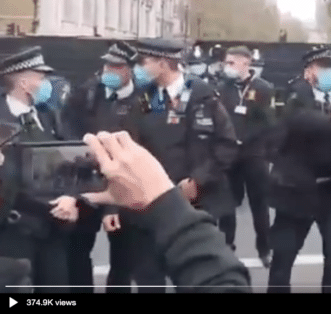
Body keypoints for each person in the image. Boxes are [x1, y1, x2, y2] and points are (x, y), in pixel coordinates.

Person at [76, 131, 251, 292]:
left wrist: (197, 181)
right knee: (136, 270)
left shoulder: (204, 103)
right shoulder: (143, 103)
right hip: (143, 202)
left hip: (179, 196)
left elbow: (224, 145)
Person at [129, 38, 240, 293]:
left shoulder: (202, 94)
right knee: (149, 275)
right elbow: (134, 143)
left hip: (197, 201)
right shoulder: (145, 99)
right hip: (154, 201)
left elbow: (226, 145)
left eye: (144, 62)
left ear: (162, 64)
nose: (140, 68)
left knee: (193, 274)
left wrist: (197, 181)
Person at [266, 46, 331, 293]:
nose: (329, 72)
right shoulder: (296, 96)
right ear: (308, 73)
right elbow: (307, 123)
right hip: (296, 190)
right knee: (283, 258)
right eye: (322, 67)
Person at [61, 41, 142, 293]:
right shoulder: (86, 93)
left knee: (123, 258)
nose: (109, 70)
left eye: (117, 66)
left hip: (125, 186)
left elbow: (148, 141)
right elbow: (68, 133)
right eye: (107, 64)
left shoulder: (146, 99)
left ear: (131, 69)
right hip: (88, 183)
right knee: (77, 252)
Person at [0, 46, 79, 293]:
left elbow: (72, 162)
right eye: (41, 77)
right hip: (12, 230)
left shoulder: (50, 116)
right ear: (24, 82)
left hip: (51, 226)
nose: (47, 84)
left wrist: (71, 198)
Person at [216, 46, 274, 267]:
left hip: (254, 155)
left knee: (260, 204)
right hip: (229, 156)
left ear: (246, 64)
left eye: (232, 63)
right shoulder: (222, 88)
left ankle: (264, 248)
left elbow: (269, 123)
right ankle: (226, 247)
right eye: (226, 63)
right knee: (226, 205)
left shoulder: (263, 89)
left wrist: (248, 139)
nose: (227, 67)